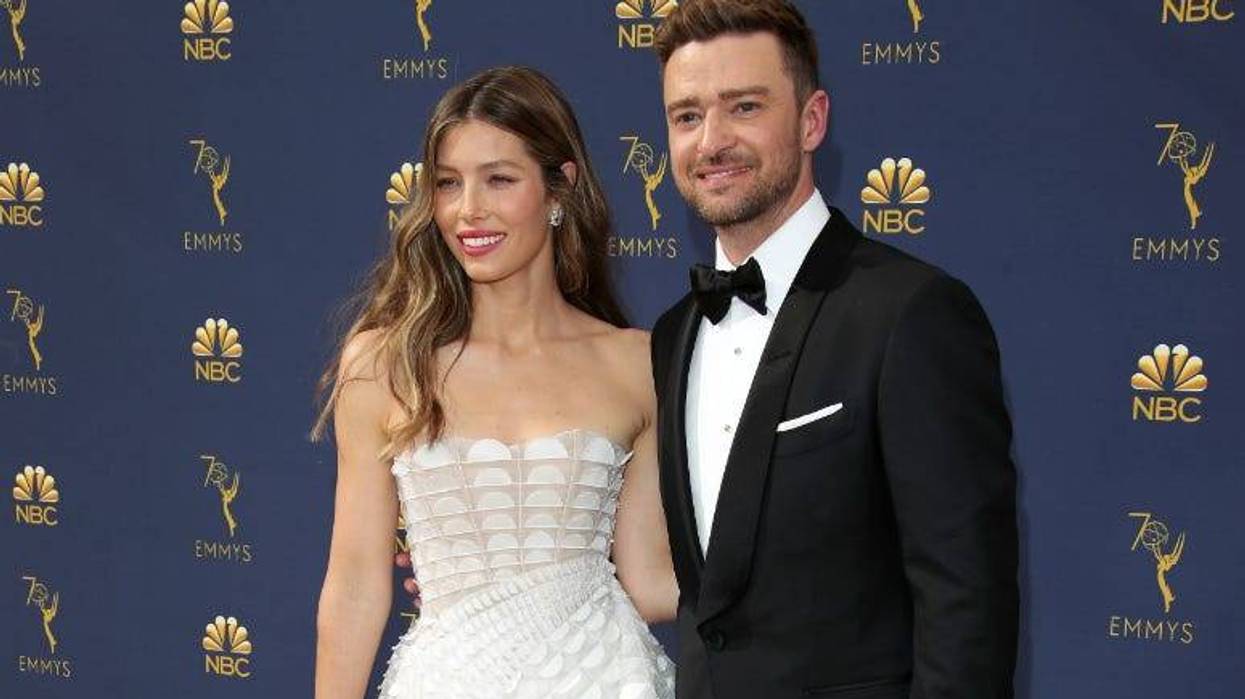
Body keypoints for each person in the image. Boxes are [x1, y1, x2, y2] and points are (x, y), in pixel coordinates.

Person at [648, 1, 1020, 697]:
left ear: (811, 119)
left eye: (745, 107)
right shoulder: (675, 333)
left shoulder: (910, 313)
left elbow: (965, 598)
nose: (711, 141)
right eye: (687, 116)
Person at [313, 65, 678, 699]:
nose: (468, 210)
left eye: (499, 180)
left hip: (606, 680)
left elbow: (649, 581)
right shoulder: (385, 364)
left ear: (559, 189)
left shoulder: (636, 363)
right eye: (449, 183)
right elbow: (354, 585)